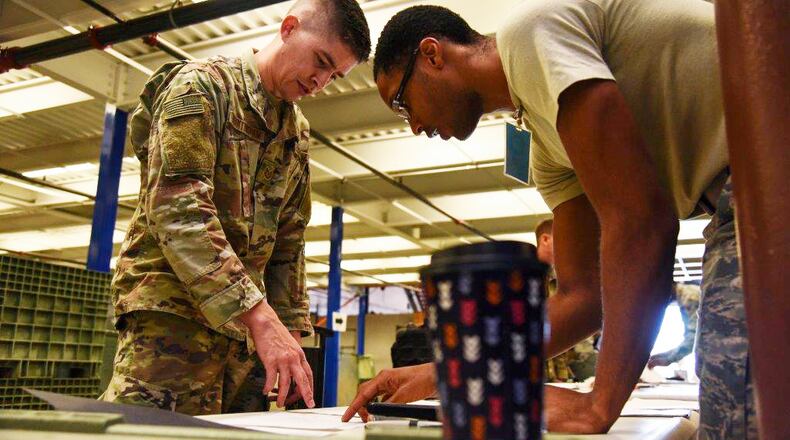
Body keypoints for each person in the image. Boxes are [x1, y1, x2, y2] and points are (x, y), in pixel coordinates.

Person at [343, 2, 755, 437]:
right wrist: (444, 373)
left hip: (766, 167)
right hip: (738, 197)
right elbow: (584, 297)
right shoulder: (547, 150)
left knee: (740, 414)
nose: (414, 127)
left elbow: (640, 222)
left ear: (432, 55)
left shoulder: (530, 34)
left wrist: (598, 405)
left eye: (403, 103)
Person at [100, 0, 370, 415]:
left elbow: (288, 244)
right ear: (289, 28)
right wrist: (262, 318)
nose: (320, 82)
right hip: (173, 323)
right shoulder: (201, 87)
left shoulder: (295, 132)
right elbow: (177, 208)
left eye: (334, 76)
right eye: (320, 61)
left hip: (245, 340)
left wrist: (292, 337)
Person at [535, 219, 598, 382]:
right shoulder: (523, 278)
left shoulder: (560, 281)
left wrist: (560, 377)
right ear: (545, 240)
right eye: (565, 241)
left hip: (554, 378)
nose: (572, 247)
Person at [648, 282, 701, 369]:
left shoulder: (689, 298)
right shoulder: (687, 292)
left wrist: (669, 359)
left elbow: (694, 339)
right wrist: (666, 355)